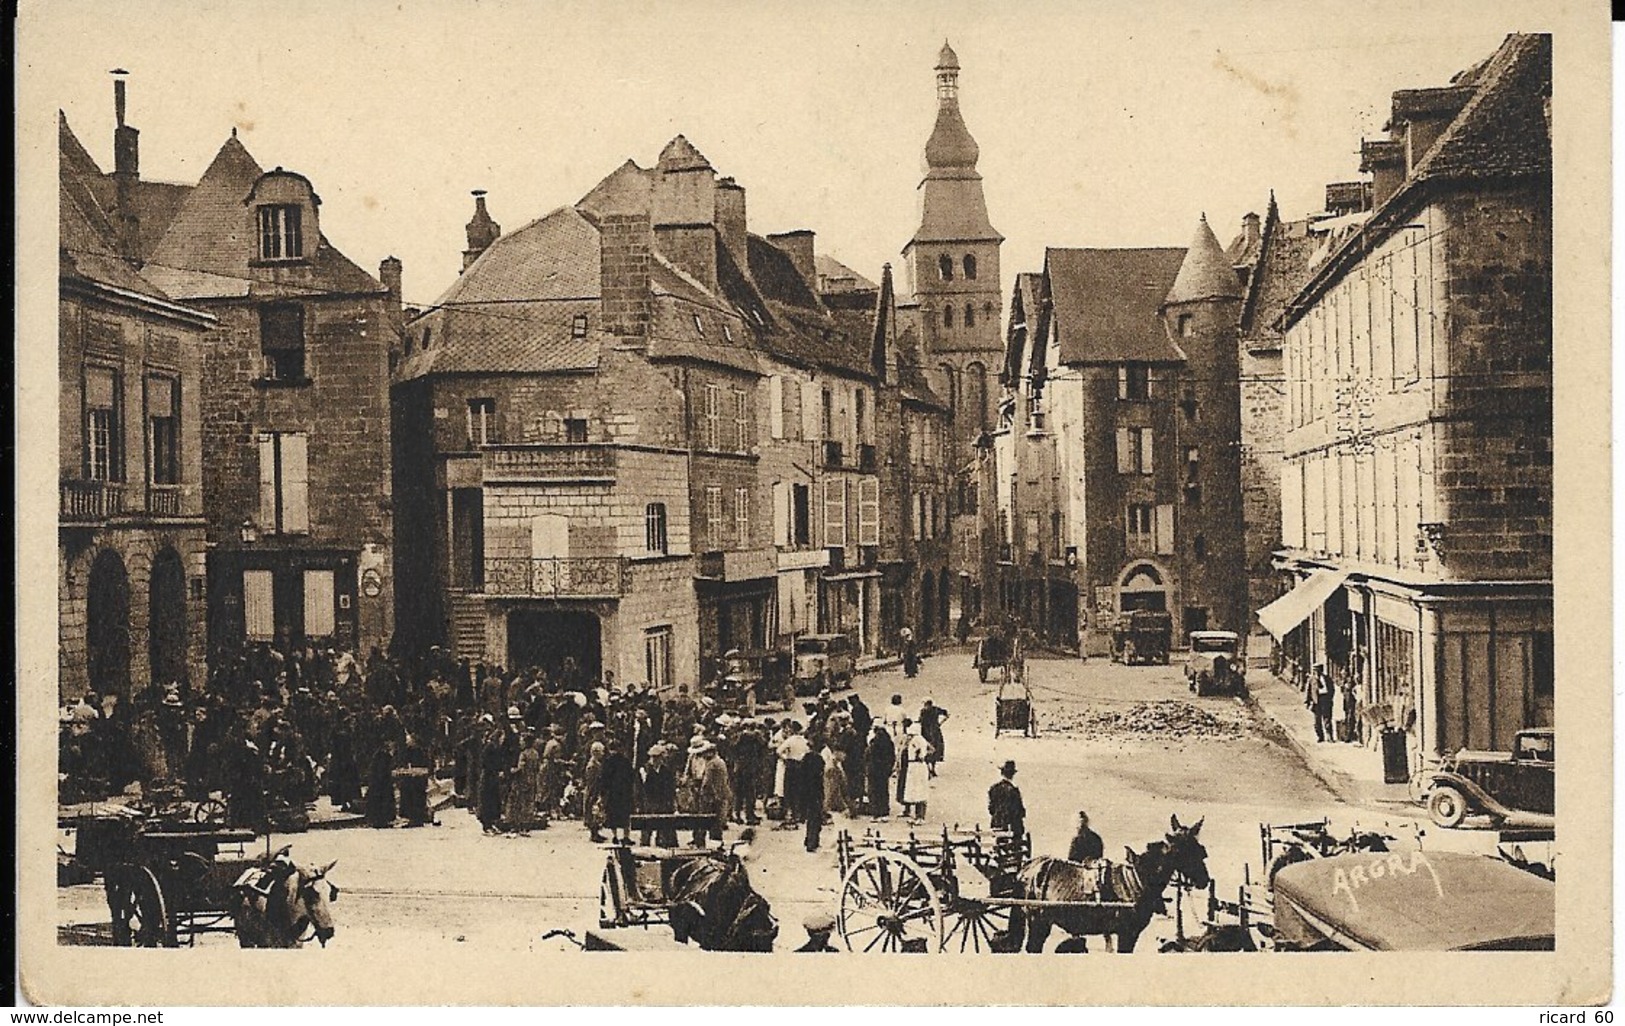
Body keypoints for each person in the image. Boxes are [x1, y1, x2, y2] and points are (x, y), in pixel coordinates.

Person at [601, 738, 637, 844]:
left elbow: (604, 778)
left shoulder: (607, 761)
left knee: (613, 815)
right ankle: (626, 836)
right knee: (625, 815)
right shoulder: (625, 761)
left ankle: (615, 836)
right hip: (624, 792)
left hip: (612, 793)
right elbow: (631, 776)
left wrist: (604, 792)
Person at [899, 724, 932, 822]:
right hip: (916, 766)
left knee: (918, 791)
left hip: (916, 766)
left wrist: (920, 755)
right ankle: (919, 815)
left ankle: (920, 816)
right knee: (918, 790)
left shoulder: (916, 740)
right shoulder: (921, 740)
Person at [864, 724, 895, 821]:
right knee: (883, 791)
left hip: (873, 770)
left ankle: (876, 813)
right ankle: (884, 811)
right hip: (883, 771)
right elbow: (892, 757)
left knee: (873, 792)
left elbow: (867, 757)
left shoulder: (873, 743)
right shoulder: (889, 743)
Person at [987, 760, 1025, 839]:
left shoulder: (993, 788)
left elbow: (991, 809)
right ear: (1012, 775)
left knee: (999, 846)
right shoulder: (1013, 791)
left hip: (996, 824)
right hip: (1012, 827)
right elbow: (1019, 811)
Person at [800, 743, 825, 852]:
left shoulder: (806, 758)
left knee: (810, 817)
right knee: (815, 817)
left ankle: (808, 839)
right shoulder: (819, 759)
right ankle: (812, 842)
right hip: (815, 791)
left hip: (805, 790)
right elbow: (820, 774)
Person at [918, 699, 949, 776]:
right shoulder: (936, 709)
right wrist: (940, 723)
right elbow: (946, 713)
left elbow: (920, 720)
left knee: (927, 749)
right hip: (935, 731)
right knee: (936, 748)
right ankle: (932, 769)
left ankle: (929, 769)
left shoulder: (923, 711)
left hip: (926, 732)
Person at [1312, 664, 1336, 743]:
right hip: (1316, 701)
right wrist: (1308, 702)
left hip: (1325, 699)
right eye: (1315, 671)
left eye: (1318, 670)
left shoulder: (1327, 678)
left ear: (1321, 670)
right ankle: (1320, 736)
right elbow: (1309, 691)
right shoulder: (1312, 680)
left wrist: (1329, 698)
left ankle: (1329, 736)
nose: (1316, 672)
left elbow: (1332, 689)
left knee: (1327, 719)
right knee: (1317, 721)